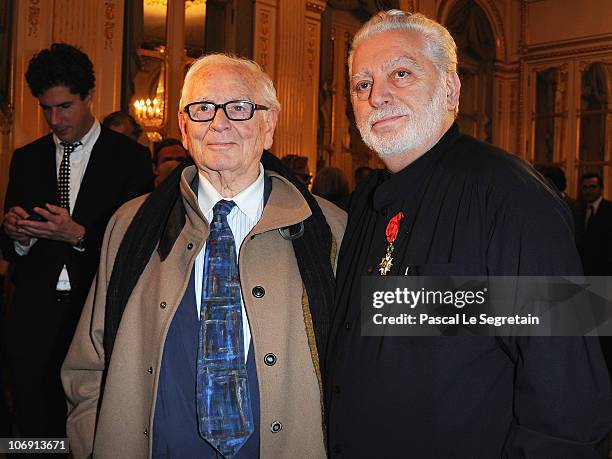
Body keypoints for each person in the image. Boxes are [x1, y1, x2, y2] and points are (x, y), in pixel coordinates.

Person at [325, 10, 612, 457]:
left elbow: (569, 396)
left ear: (451, 88)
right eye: (362, 84)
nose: (377, 95)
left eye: (400, 74)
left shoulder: (511, 195)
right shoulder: (365, 202)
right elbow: (409, 324)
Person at [62, 53, 346, 458]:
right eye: (202, 109)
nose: (218, 122)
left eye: (240, 107)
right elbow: (89, 363)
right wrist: (92, 443)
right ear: (183, 126)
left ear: (269, 125)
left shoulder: (331, 230)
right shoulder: (131, 226)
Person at [0, 43, 154, 439]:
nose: (55, 119)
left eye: (64, 106)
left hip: (95, 317)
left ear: (89, 97)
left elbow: (141, 248)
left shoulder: (130, 159)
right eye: (46, 108)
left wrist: (79, 235)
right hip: (33, 320)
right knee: (34, 432)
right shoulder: (26, 158)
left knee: (92, 430)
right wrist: (16, 235)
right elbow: (7, 247)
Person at [575, 172, 612, 276]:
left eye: (593, 187)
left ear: (601, 189)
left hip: (604, 269)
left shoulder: (609, 210)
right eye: (585, 187)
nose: (588, 191)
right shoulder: (578, 210)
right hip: (583, 269)